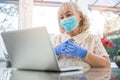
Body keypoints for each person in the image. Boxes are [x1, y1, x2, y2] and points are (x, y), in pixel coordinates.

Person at [52, 2, 110, 69]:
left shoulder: (92, 39)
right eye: (61, 17)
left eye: (68, 15)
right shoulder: (56, 39)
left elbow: (106, 64)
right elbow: (43, 64)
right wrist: (54, 52)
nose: (65, 19)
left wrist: (85, 54)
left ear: (80, 16)